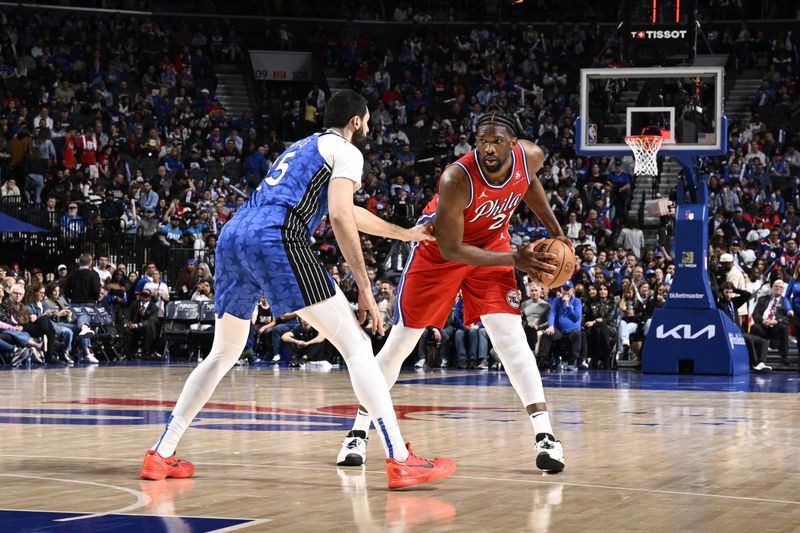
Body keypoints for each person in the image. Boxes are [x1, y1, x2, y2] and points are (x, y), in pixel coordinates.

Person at [141, 90, 455, 490]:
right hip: (277, 238)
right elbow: (340, 216)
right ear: (357, 121)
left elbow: (348, 209)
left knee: (223, 352)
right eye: (369, 120)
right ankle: (400, 458)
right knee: (358, 347)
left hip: (234, 235)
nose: (369, 126)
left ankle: (161, 453)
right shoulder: (346, 150)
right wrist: (364, 288)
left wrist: (404, 233)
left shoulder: (302, 147)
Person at [335, 112, 568, 473]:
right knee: (400, 345)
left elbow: (529, 182)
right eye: (481, 142)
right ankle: (358, 432)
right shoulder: (456, 178)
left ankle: (546, 438)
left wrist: (556, 230)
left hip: (491, 245)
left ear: (513, 144)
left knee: (511, 340)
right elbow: (451, 249)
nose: (488, 149)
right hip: (439, 251)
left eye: (496, 142)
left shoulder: (530, 156)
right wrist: (513, 259)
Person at [716, 282, 770, 371]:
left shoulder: (734, 302)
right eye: (727, 292)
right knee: (749, 339)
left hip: (740, 331)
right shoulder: (719, 304)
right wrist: (720, 290)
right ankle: (754, 364)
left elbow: (747, 295)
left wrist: (735, 289)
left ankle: (761, 362)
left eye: (730, 292)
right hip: (731, 332)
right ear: (722, 292)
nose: (729, 294)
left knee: (764, 342)